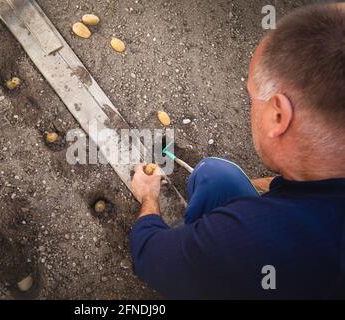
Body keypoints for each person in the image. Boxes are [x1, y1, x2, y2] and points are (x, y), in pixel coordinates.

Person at [129, 3, 345, 299]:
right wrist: (255, 196)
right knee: (215, 176)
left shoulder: (256, 241)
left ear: (278, 116)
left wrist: (148, 196)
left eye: (252, 96)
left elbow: (148, 255)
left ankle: (195, 256)